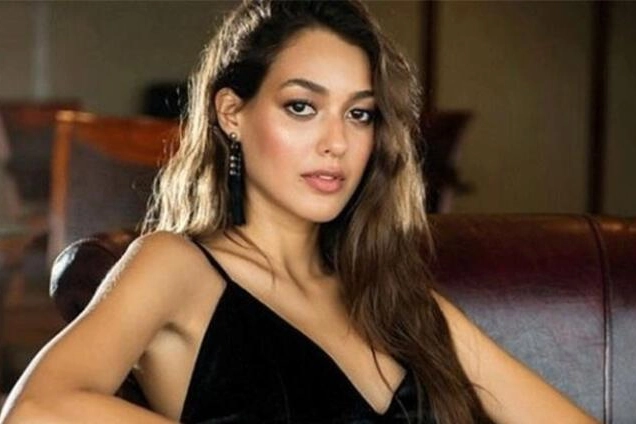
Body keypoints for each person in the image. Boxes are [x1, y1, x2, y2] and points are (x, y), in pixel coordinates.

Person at [1, 1, 598, 423]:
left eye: (359, 114)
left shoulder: (397, 298)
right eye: (302, 107)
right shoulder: (175, 266)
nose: (336, 142)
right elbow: (37, 410)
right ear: (231, 113)